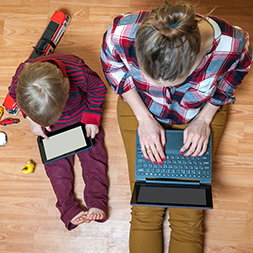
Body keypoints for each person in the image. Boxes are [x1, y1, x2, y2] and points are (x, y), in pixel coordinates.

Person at [101, 1, 252, 252]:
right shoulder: (121, 32)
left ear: (196, 61)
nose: (162, 88)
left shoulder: (233, 43)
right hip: (140, 108)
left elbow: (238, 72)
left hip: (199, 114)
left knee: (189, 217)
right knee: (145, 210)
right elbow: (112, 67)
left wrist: (204, 119)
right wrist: (144, 118)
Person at [9, 54, 109, 230]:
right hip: (51, 128)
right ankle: (68, 208)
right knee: (56, 167)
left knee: (94, 156)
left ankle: (97, 200)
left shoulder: (77, 69)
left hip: (81, 118)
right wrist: (31, 119)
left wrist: (92, 117)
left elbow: (98, 89)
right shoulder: (20, 80)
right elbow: (14, 96)